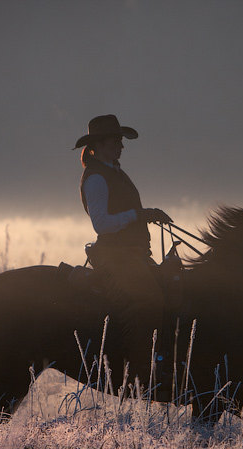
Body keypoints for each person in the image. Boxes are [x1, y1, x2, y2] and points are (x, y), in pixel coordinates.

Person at [74, 114, 172, 364]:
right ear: (101, 145)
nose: (121, 145)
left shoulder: (113, 172)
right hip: (115, 256)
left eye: (120, 140)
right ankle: (140, 370)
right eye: (116, 141)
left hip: (131, 254)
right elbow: (102, 224)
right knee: (148, 300)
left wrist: (144, 216)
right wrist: (139, 214)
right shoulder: (96, 178)